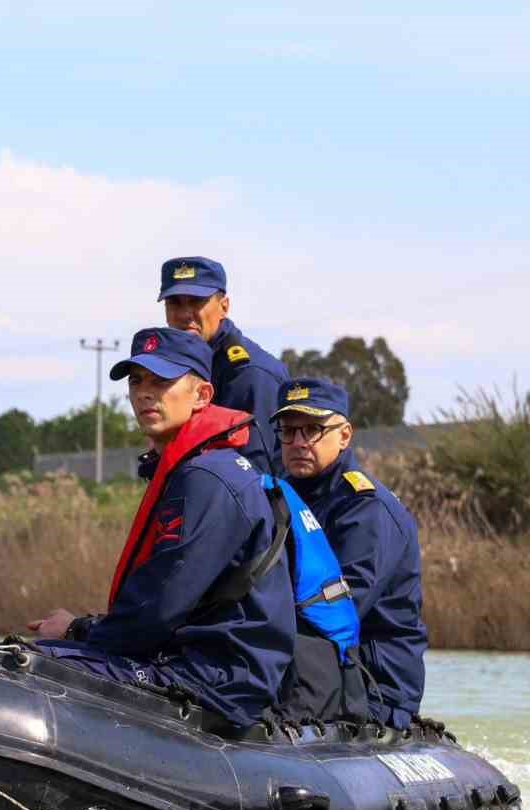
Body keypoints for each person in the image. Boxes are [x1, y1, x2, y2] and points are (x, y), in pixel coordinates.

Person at [28, 328, 296, 731]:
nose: (144, 394)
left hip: (213, 681)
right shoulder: (197, 468)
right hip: (201, 666)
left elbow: (161, 606)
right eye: (137, 381)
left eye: (162, 381)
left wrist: (77, 629)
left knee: (34, 666)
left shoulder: (208, 478)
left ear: (202, 395)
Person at [275, 378, 428, 728]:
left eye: (312, 430)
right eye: (288, 431)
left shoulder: (366, 509)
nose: (298, 442)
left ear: (344, 435)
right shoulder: (279, 497)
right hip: (311, 667)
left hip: (370, 685)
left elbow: (336, 610)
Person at [158, 256, 289, 473]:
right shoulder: (183, 367)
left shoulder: (249, 374)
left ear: (224, 306)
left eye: (196, 301)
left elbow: (257, 476)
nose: (183, 314)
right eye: (175, 303)